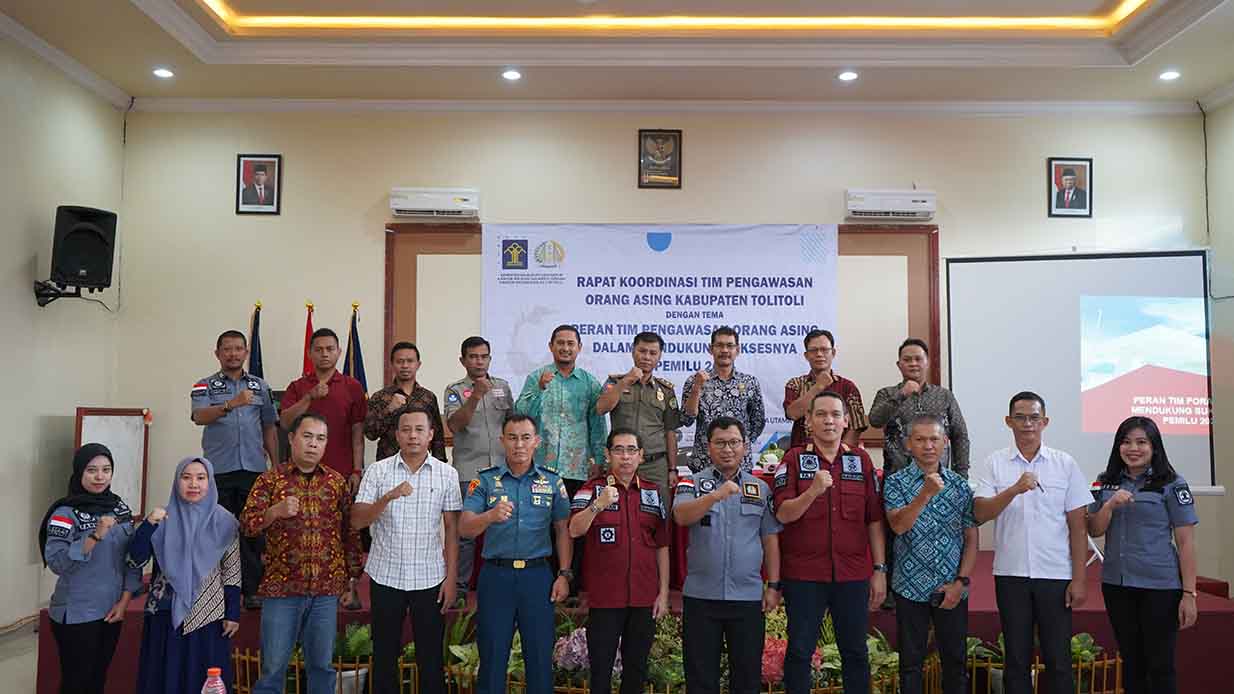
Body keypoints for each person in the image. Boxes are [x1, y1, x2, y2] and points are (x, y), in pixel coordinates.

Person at [972, 392, 1091, 694]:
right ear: (1008, 421)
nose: (1028, 424)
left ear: (1045, 422)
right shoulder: (994, 463)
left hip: (1055, 575)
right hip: (1011, 575)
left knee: (1058, 659)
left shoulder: (1064, 464)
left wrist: (1079, 579)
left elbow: (1078, 527)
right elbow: (980, 513)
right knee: (1016, 659)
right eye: (1021, 417)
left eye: (1034, 418)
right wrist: (1013, 489)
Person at [241, 413, 363, 694]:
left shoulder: (336, 483)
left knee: (321, 667)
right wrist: (274, 512)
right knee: (273, 668)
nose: (313, 444)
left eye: (320, 439)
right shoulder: (270, 480)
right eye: (307, 437)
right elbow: (247, 525)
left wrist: (352, 579)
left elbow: (350, 532)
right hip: (281, 590)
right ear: (292, 439)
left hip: (325, 591)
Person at [773, 392, 886, 694]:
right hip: (804, 575)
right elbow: (783, 514)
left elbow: (873, 519)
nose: (829, 420)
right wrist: (811, 492)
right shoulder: (794, 459)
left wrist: (879, 569)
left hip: (852, 573)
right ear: (808, 421)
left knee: (856, 652)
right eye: (821, 414)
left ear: (846, 421)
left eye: (835, 414)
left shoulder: (860, 460)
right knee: (799, 652)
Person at [460, 413, 573, 694]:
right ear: (502, 441)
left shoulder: (552, 482)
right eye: (512, 437)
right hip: (496, 576)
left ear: (536, 441)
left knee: (538, 658)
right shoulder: (485, 481)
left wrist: (564, 574)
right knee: (493, 657)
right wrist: (488, 516)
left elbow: (563, 530)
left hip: (537, 577)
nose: (519, 444)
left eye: (525, 437)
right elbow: (465, 527)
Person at [352, 408, 462, 694]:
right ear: (396, 434)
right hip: (386, 575)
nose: (412, 435)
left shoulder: (447, 474)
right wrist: (386, 498)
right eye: (406, 429)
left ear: (431, 434)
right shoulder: (378, 470)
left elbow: (452, 530)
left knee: (431, 657)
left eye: (419, 429)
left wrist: (451, 580)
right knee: (385, 655)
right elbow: (357, 520)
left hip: (430, 578)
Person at [1087, 416, 1199, 694]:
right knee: (1132, 663)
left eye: (1141, 442)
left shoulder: (1172, 483)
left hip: (1160, 587)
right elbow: (1095, 529)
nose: (1133, 448)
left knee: (1160, 666)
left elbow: (1186, 543)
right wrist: (1110, 505)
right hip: (1117, 585)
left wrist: (1189, 594)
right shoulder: (1105, 482)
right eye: (1126, 442)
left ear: (1154, 447)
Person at [673, 417, 782, 694]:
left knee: (746, 679)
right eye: (720, 443)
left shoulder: (761, 489)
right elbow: (681, 516)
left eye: (734, 442)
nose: (728, 449)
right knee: (700, 678)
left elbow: (770, 539)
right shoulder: (691, 483)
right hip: (701, 597)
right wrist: (715, 496)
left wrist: (774, 586)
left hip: (747, 598)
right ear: (709, 447)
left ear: (745, 446)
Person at [568, 428, 671, 694]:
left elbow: (662, 545)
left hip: (644, 597)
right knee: (601, 672)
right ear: (608, 454)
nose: (625, 457)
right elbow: (574, 529)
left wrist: (662, 593)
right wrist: (597, 505)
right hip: (605, 598)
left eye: (631, 450)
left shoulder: (653, 493)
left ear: (641, 456)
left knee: (636, 671)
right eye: (618, 450)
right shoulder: (591, 489)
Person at [131, 457, 241, 694]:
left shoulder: (225, 521)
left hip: (209, 613)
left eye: (201, 478)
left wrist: (232, 612)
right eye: (186, 477)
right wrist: (148, 524)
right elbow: (135, 558)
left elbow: (232, 570)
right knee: (163, 677)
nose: (194, 484)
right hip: (165, 613)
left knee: (206, 680)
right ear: (176, 481)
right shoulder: (162, 518)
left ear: (210, 482)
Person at [884, 415, 977, 694]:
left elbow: (971, 539)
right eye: (920, 440)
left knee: (955, 662)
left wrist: (960, 583)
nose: (928, 446)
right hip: (909, 587)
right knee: (910, 664)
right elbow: (898, 526)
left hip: (951, 588)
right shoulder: (895, 483)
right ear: (908, 444)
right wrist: (924, 494)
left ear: (945, 442)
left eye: (934, 439)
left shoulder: (960, 486)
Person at [39, 443, 141, 694]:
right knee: (77, 682)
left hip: (111, 609)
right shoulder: (64, 513)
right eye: (92, 470)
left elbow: (132, 558)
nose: (99, 477)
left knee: (98, 679)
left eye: (106, 470)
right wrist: (94, 536)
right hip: (76, 612)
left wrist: (125, 601)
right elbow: (58, 563)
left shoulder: (120, 508)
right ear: (79, 473)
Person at [279, 327, 367, 608]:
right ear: (310, 353)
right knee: (303, 531)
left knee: (346, 533)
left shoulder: (352, 386)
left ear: (339, 352)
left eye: (330, 349)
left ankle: (349, 588)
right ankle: (306, 589)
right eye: (319, 349)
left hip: (341, 472)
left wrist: (356, 470)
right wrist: (309, 399)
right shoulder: (297, 386)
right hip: (301, 475)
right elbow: (284, 422)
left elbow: (357, 432)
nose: (325, 354)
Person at [515, 324, 606, 592]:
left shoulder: (590, 382)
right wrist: (541, 390)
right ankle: (543, 584)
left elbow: (597, 424)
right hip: (541, 468)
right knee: (541, 527)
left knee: (572, 529)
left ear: (579, 348)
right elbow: (521, 414)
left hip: (577, 468)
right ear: (551, 346)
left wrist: (598, 459)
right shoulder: (536, 378)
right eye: (560, 343)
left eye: (571, 343)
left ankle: (571, 585)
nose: (565, 348)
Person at [191, 329, 278, 610]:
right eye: (227, 349)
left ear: (246, 352)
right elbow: (198, 416)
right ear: (217, 353)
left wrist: (275, 467)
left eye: (238, 349)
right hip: (219, 471)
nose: (233, 354)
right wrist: (230, 404)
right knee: (219, 533)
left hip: (253, 469)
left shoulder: (260, 387)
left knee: (252, 532)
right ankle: (219, 592)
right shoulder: (204, 386)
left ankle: (252, 590)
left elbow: (269, 427)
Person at [444, 336, 514, 597]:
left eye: (484, 356)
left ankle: (501, 585)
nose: (479, 361)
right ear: (463, 360)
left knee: (503, 528)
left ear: (490, 359)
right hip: (469, 472)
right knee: (466, 535)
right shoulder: (454, 390)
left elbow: (512, 426)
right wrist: (474, 397)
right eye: (473, 356)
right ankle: (460, 588)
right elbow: (454, 425)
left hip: (501, 471)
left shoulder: (503, 387)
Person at [594, 331, 682, 501]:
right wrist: (625, 382)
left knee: (659, 517)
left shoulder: (665, 391)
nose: (647, 357)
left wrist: (672, 469)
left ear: (659, 357)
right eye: (642, 351)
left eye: (653, 353)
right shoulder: (615, 383)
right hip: (621, 462)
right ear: (633, 351)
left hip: (655, 466)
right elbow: (600, 408)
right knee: (617, 514)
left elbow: (670, 432)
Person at [867, 338, 970, 477]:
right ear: (899, 364)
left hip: (939, 478)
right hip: (897, 480)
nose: (913, 363)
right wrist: (901, 395)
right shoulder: (886, 394)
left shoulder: (944, 396)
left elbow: (960, 436)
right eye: (907, 360)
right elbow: (875, 420)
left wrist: (961, 475)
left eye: (918, 359)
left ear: (927, 362)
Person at [681, 327, 766, 472]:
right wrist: (697, 388)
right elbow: (686, 419)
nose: (725, 350)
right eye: (719, 345)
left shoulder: (749, 382)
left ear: (737, 350)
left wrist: (739, 445)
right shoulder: (695, 380)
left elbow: (758, 421)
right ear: (710, 349)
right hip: (704, 463)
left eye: (730, 345)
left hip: (740, 465)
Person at [782, 329, 867, 449]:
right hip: (801, 454)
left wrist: (839, 454)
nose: (819, 354)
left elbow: (857, 426)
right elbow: (792, 414)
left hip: (839, 456)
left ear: (833, 353)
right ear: (806, 356)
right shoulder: (795, 384)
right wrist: (818, 387)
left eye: (824, 350)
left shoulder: (848, 387)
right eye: (814, 350)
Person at [365, 341, 448, 462]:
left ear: (418, 364)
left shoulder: (428, 397)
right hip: (388, 465)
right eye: (400, 361)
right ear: (392, 364)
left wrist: (441, 465)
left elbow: (437, 437)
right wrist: (389, 409)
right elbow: (370, 434)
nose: (405, 365)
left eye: (410, 361)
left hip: (422, 466)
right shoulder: (380, 396)